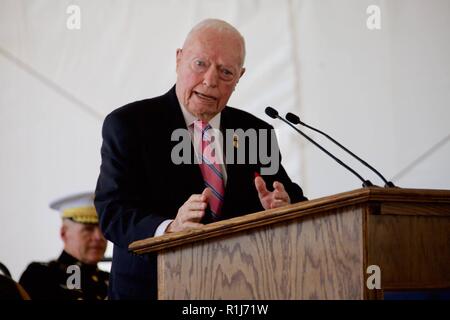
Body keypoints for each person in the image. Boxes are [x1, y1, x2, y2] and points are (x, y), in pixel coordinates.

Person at [95, 18, 307, 300]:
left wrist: (285, 207)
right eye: (200, 64)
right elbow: (113, 211)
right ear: (179, 59)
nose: (210, 81)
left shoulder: (255, 133)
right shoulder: (129, 125)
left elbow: (292, 200)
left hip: (238, 292)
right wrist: (170, 229)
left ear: (239, 77)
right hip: (151, 291)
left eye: (225, 72)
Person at [19, 192, 109, 300]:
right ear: (64, 233)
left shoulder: (111, 280)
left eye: (103, 230)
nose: (99, 237)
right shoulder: (40, 277)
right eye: (88, 229)